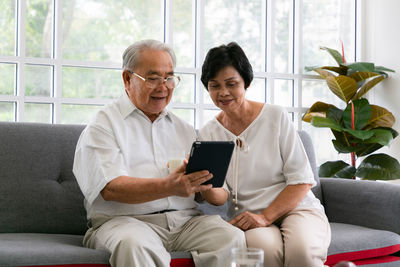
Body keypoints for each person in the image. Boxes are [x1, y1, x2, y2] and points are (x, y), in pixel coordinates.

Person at [73, 39, 246, 267]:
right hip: (125, 222)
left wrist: (207, 185)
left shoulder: (184, 129)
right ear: (127, 79)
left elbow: (219, 196)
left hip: (185, 222)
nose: (163, 87)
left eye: (169, 78)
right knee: (135, 245)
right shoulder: (103, 125)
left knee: (230, 237)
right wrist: (169, 186)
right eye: (153, 78)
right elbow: (111, 188)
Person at [198, 42, 331, 267]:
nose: (223, 93)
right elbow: (220, 197)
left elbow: (302, 180)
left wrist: (266, 217)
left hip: (298, 208)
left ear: (246, 82)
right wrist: (204, 183)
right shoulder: (208, 133)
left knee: (302, 251)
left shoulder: (275, 117)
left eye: (231, 84)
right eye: (214, 85)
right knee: (263, 252)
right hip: (248, 216)